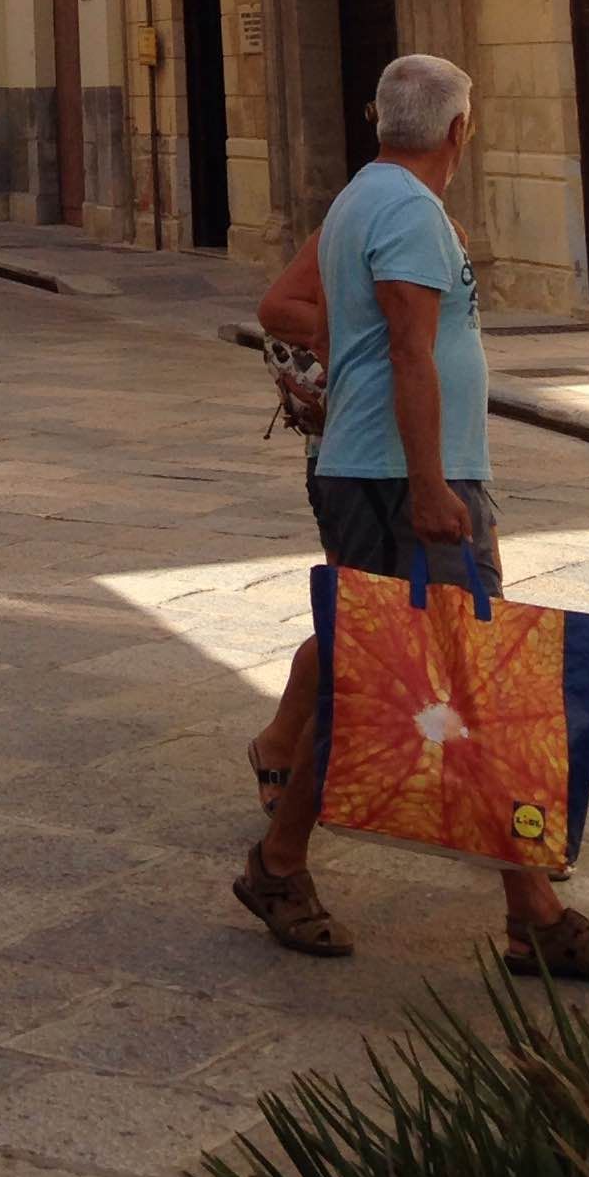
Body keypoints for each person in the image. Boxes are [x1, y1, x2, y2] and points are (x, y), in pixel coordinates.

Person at [233, 54, 589, 983]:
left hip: (375, 470)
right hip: (400, 481)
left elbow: (358, 331)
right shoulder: (411, 212)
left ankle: (296, 867)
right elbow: (414, 353)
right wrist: (431, 487)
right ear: (461, 130)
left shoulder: (362, 195)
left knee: (398, 683)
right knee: (458, 688)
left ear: (381, 120)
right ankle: (517, 912)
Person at [244, 226, 327, 816]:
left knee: (371, 623)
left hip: (450, 458)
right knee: (361, 625)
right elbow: (276, 309)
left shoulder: (440, 224)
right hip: (371, 458)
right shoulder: (367, 211)